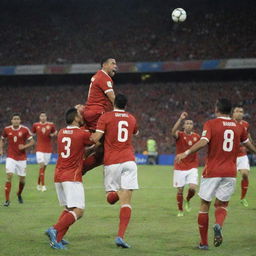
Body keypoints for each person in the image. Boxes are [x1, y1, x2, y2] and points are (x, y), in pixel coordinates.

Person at [176, 99, 256, 250]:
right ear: (230, 111)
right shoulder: (239, 127)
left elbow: (203, 142)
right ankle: (218, 225)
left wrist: (186, 152)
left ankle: (204, 243)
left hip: (213, 170)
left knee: (205, 204)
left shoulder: (211, 124)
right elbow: (248, 144)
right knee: (222, 204)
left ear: (217, 109)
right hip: (230, 172)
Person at [91, 94, 139, 248]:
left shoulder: (106, 117)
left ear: (114, 103)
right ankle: (120, 236)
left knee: (110, 198)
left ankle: (120, 237)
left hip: (112, 161)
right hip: (129, 161)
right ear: (126, 105)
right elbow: (135, 132)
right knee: (126, 201)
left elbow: (96, 137)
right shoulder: (131, 118)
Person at [45, 108, 92, 250]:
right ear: (75, 119)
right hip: (71, 176)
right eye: (80, 115)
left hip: (59, 175)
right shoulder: (82, 133)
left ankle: (57, 239)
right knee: (79, 210)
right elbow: (95, 140)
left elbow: (78, 150)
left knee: (69, 208)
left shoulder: (61, 132)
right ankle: (55, 229)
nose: (82, 116)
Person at [0, 113, 34, 206]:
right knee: (9, 175)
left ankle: (19, 193)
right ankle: (7, 200)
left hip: (21, 158)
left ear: (20, 121)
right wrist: (1, 149)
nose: (16, 120)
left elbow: (32, 141)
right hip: (11, 157)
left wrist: (24, 146)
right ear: (11, 121)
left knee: (22, 179)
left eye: (17, 119)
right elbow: (2, 139)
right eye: (14, 119)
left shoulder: (24, 130)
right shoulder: (7, 129)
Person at [171, 112, 200, 217]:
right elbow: (173, 131)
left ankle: (187, 199)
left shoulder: (197, 136)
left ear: (193, 126)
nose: (189, 125)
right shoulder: (180, 135)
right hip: (180, 166)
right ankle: (180, 210)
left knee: (192, 188)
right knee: (180, 189)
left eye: (190, 123)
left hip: (192, 166)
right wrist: (180, 118)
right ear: (183, 126)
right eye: (187, 123)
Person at [82, 57, 118, 131]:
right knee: (105, 137)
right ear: (104, 65)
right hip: (97, 112)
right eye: (113, 63)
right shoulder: (104, 77)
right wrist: (120, 112)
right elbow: (113, 98)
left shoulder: (98, 75)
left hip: (91, 111)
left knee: (92, 137)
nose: (115, 66)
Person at [232, 106, 252, 207]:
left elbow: (247, 136)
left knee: (245, 174)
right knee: (228, 178)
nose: (239, 113)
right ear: (233, 113)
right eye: (237, 111)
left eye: (241, 111)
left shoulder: (246, 124)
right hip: (230, 155)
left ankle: (243, 198)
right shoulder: (229, 124)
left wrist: (250, 144)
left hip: (242, 155)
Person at [32, 112, 57, 192]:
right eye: (41, 116)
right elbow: (32, 134)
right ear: (39, 117)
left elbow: (55, 132)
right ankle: (43, 186)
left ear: (46, 117)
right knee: (42, 166)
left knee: (43, 168)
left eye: (44, 116)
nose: (43, 117)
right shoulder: (35, 125)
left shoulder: (51, 125)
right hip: (39, 149)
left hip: (48, 149)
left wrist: (53, 135)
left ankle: (38, 183)